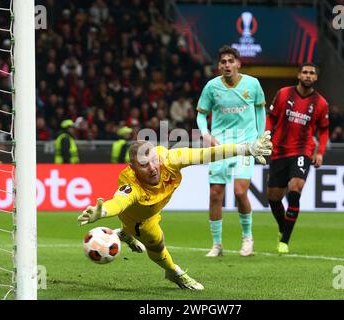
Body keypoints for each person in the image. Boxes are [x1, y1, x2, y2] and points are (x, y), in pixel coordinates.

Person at [77, 133, 273, 290]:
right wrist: (101, 213)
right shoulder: (131, 184)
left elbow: (207, 153)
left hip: (152, 208)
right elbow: (119, 202)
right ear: (133, 167)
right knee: (157, 244)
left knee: (147, 236)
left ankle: (124, 234)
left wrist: (245, 148)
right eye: (144, 165)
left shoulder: (170, 159)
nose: (153, 168)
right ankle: (173, 272)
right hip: (139, 220)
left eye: (154, 160)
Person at [196, 45, 266, 257]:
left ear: (238, 64)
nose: (227, 65)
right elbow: (200, 115)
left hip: (245, 145)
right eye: (223, 62)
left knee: (239, 192)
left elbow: (260, 111)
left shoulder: (253, 84)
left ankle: (247, 238)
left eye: (230, 61)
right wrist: (206, 134)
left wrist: (259, 138)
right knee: (215, 194)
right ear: (219, 66)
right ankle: (217, 244)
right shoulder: (211, 87)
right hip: (220, 147)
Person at [266, 62, 329, 254]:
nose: (308, 75)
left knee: (295, 188)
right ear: (299, 75)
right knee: (274, 198)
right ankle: (282, 227)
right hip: (279, 151)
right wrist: (267, 135)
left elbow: (324, 130)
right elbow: (271, 117)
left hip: (303, 151)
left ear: (316, 77)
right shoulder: (284, 94)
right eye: (305, 72)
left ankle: (284, 240)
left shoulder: (321, 103)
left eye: (312, 73)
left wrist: (320, 152)